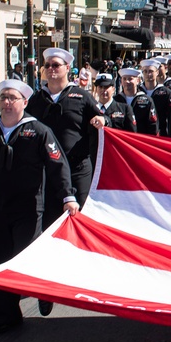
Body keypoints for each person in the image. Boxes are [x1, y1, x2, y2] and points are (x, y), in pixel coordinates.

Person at [0, 80, 79, 334]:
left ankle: (43, 289)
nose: (7, 103)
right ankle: (5, 316)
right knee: (0, 263)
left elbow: (58, 165)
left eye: (12, 98)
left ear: (24, 102)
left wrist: (67, 196)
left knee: (28, 257)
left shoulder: (38, 131)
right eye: (3, 98)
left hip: (29, 208)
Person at [25, 48, 106, 235]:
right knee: (51, 220)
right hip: (48, 170)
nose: (51, 69)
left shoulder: (80, 96)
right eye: (47, 66)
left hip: (77, 168)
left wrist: (102, 121)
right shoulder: (36, 100)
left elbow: (102, 119)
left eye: (56, 65)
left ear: (67, 68)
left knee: (81, 216)